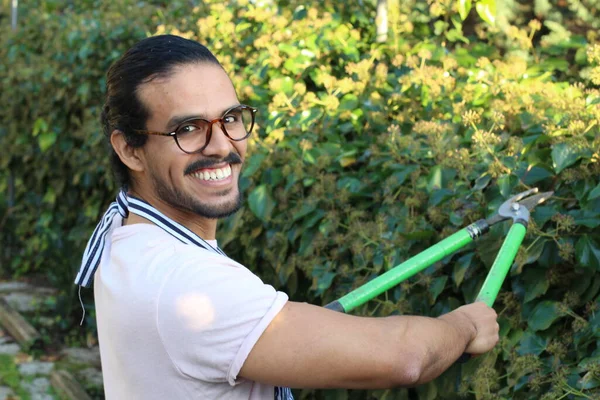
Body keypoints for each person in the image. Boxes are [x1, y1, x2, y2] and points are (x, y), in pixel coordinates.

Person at [75, 34, 499, 400]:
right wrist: (464, 324)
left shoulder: (125, 234)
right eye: (187, 129)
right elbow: (406, 358)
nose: (221, 146)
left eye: (230, 118)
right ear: (130, 149)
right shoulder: (188, 284)